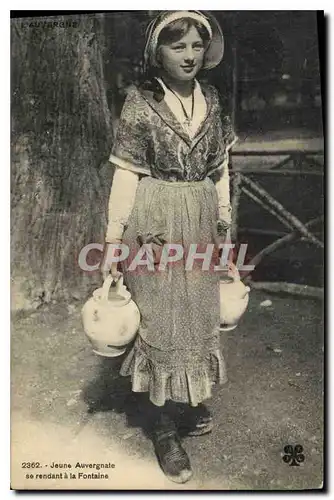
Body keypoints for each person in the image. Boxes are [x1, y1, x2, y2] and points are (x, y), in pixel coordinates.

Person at [101, 10, 237, 484]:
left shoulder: (212, 100)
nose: (189, 56)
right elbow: (125, 173)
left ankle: (185, 401)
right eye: (178, 46)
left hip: (199, 215)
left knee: (196, 309)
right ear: (156, 53)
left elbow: (221, 165)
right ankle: (162, 428)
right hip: (154, 218)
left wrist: (222, 217)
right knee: (161, 313)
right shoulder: (140, 105)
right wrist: (116, 240)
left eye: (197, 46)